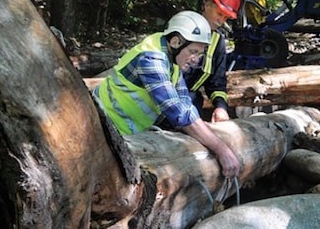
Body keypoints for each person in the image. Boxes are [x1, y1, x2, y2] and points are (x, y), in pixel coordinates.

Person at [93, 10, 241, 178]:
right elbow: (177, 112)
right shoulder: (151, 59)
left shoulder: (172, 58)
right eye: (193, 51)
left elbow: (185, 102)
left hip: (120, 133)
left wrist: (202, 128)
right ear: (176, 42)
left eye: (200, 54)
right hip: (100, 129)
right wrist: (222, 150)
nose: (196, 59)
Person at [184, 0, 243, 123]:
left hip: (189, 102)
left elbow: (217, 82)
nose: (221, 21)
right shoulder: (182, 28)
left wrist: (220, 107)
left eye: (226, 18)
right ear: (206, 3)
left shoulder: (217, 42)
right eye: (219, 14)